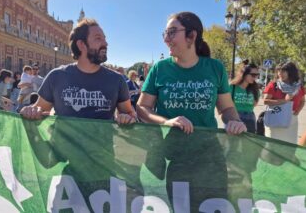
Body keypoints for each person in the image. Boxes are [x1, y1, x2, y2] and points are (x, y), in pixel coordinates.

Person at [20, 18, 136, 209]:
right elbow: (41, 111)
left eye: (105, 39)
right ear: (81, 44)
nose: (105, 43)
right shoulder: (57, 76)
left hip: (103, 170)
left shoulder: (117, 80)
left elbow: (131, 116)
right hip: (66, 170)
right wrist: (32, 112)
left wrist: (127, 118)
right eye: (98, 38)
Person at [136, 11, 246, 211]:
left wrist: (234, 121)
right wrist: (165, 122)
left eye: (171, 32)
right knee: (182, 209)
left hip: (210, 155)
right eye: (165, 34)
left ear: (192, 36)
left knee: (214, 207)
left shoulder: (215, 68)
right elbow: (142, 107)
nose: (166, 39)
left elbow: (227, 108)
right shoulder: (160, 69)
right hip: (175, 156)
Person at [263, 61, 306, 144]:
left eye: (283, 71)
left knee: (289, 146)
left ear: (291, 72)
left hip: (291, 120)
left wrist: (296, 112)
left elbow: (302, 101)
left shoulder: (298, 86)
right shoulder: (273, 84)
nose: (280, 73)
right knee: (272, 145)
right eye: (278, 71)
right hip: (275, 117)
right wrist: (284, 101)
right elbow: (265, 101)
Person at [230, 60, 260, 133]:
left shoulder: (255, 89)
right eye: (253, 75)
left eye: (257, 75)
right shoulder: (232, 87)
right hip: (235, 117)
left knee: (248, 143)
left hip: (250, 118)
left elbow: (255, 104)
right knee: (233, 143)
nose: (255, 77)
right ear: (244, 74)